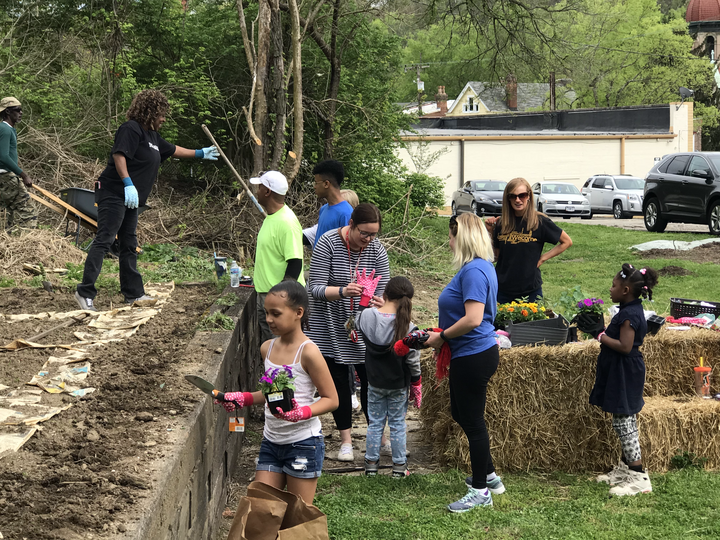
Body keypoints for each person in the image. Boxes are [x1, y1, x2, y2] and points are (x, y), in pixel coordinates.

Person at [74, 89, 219, 311]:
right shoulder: (131, 129)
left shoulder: (153, 137)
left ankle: (133, 294)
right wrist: (128, 183)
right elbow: (119, 155)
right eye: (161, 114)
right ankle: (85, 293)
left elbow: (173, 150)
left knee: (129, 243)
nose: (163, 119)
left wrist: (199, 153)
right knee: (104, 239)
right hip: (114, 192)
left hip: (131, 200)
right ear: (149, 112)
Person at [216, 280, 338, 503]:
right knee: (261, 510)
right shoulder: (267, 348)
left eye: (276, 313)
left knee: (297, 517)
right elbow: (271, 394)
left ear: (298, 312)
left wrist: (301, 413)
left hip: (304, 443)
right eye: (266, 313)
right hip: (271, 442)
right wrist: (242, 398)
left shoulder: (309, 352)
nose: (269, 319)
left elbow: (331, 399)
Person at [425, 213, 504, 513]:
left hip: (473, 352)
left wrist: (441, 336)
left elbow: (473, 318)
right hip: (471, 352)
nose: (449, 241)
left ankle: (481, 491)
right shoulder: (482, 267)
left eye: (451, 235)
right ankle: (491, 476)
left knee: (472, 420)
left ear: (463, 237)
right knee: (462, 413)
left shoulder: (473, 271)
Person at [306, 203, 390, 461]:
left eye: (373, 234)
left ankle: (380, 438)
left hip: (364, 325)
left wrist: (381, 301)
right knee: (340, 382)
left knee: (372, 383)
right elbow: (315, 288)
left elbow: (386, 292)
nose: (368, 239)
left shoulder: (376, 249)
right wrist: (343, 290)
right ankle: (345, 442)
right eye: (364, 233)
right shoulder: (329, 243)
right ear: (351, 224)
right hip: (329, 324)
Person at [576, 263, 658, 497]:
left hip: (625, 371)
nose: (610, 289)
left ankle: (639, 476)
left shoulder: (630, 315)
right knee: (621, 419)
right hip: (619, 370)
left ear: (625, 291)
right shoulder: (627, 309)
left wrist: (599, 335)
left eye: (613, 285)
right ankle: (625, 469)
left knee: (625, 422)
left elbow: (625, 346)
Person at [356, 276, 421, 478]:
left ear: (384, 294)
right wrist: (416, 384)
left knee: (375, 424)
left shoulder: (367, 316)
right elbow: (413, 360)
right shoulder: (409, 328)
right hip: (398, 385)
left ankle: (371, 467)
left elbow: (350, 324)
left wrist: (365, 299)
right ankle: (399, 469)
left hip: (374, 382)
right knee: (398, 425)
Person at [486, 177, 572, 303]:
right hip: (502, 289)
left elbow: (567, 242)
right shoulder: (501, 223)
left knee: (531, 323)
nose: (517, 200)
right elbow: (495, 257)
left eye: (522, 195)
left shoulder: (540, 221)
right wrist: (489, 231)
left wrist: (543, 258)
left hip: (530, 289)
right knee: (501, 323)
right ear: (507, 198)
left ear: (529, 197)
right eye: (513, 196)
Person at [251, 170, 305, 343]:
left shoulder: (287, 222)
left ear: (267, 192)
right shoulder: (272, 218)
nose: (257, 191)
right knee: (273, 347)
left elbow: (295, 263)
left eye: (259, 187)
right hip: (267, 295)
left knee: (284, 349)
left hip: (280, 300)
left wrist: (281, 299)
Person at [0, 96, 37, 232]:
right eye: (17, 109)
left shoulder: (6, 129)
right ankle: (29, 242)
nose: (20, 112)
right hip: (6, 177)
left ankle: (7, 243)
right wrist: (23, 175)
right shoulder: (5, 129)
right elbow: (3, 156)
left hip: (4, 177)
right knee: (29, 212)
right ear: (7, 112)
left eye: (21, 110)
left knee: (7, 212)